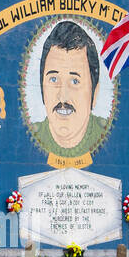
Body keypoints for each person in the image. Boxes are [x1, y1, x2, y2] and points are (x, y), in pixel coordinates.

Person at [32, 20, 109, 158]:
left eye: (75, 81)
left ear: (95, 92)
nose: (63, 97)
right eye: (54, 79)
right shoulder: (32, 134)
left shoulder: (107, 136)